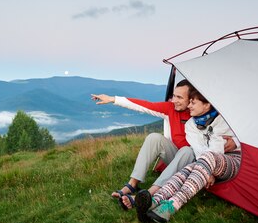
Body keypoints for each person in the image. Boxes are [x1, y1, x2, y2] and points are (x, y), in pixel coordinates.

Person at [92, 79, 235, 210]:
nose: (174, 100)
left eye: (180, 97)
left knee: (187, 150)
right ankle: (132, 184)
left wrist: (233, 143)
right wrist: (113, 99)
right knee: (154, 137)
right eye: (174, 96)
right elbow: (144, 106)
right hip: (175, 157)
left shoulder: (199, 114)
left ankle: (150, 194)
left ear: (191, 99)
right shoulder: (171, 109)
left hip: (196, 163)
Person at [134, 89, 241, 223]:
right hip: (206, 162)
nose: (189, 106)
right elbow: (198, 149)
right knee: (185, 171)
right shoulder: (191, 125)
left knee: (208, 157)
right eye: (189, 102)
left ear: (207, 105)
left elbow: (238, 139)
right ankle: (154, 202)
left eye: (193, 102)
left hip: (233, 160)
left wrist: (236, 142)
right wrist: (208, 170)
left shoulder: (225, 120)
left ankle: (173, 204)